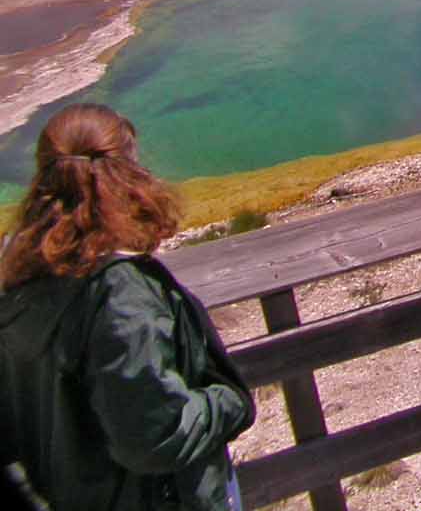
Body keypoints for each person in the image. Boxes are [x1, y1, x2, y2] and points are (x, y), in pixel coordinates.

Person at [0, 103, 256, 509]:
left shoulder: (19, 277)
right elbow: (153, 436)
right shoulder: (119, 290)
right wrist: (227, 402)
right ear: (126, 175)